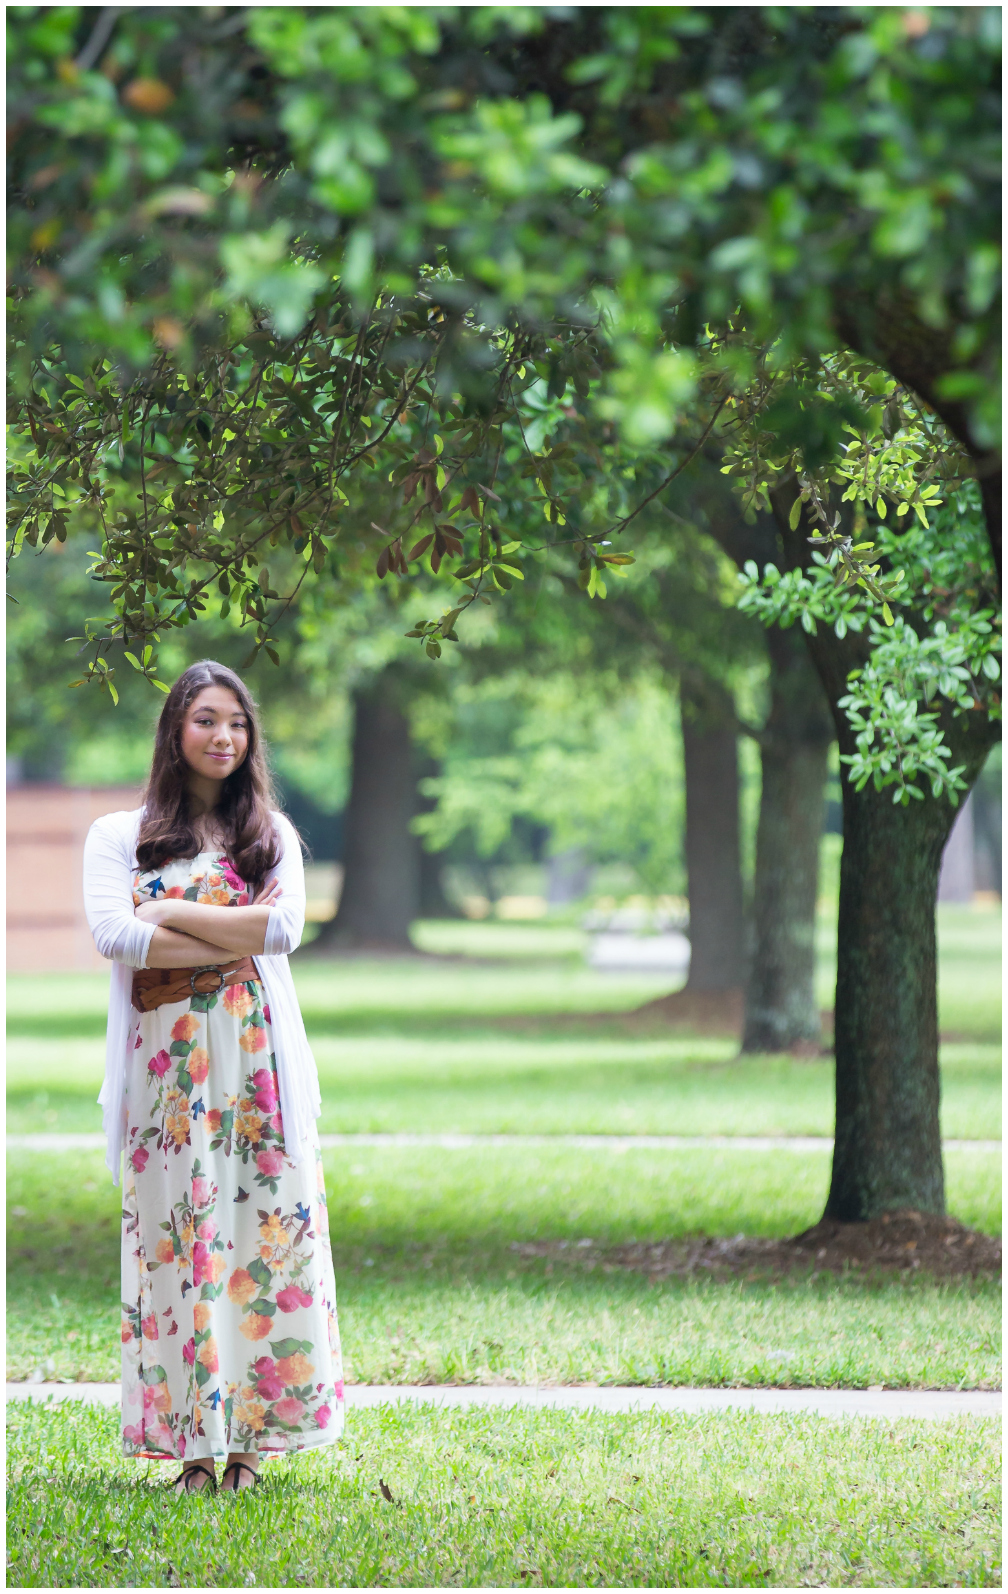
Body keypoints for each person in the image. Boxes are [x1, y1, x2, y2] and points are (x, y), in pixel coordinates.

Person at [83, 661, 344, 1493]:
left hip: (254, 1065)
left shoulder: (269, 833)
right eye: (205, 719)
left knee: (262, 1241)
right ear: (174, 730)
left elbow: (286, 930)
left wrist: (164, 912)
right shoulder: (118, 836)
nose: (222, 736)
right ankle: (194, 1445)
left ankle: (249, 1445)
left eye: (235, 721)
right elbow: (114, 938)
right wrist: (228, 934)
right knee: (179, 1240)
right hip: (167, 1071)